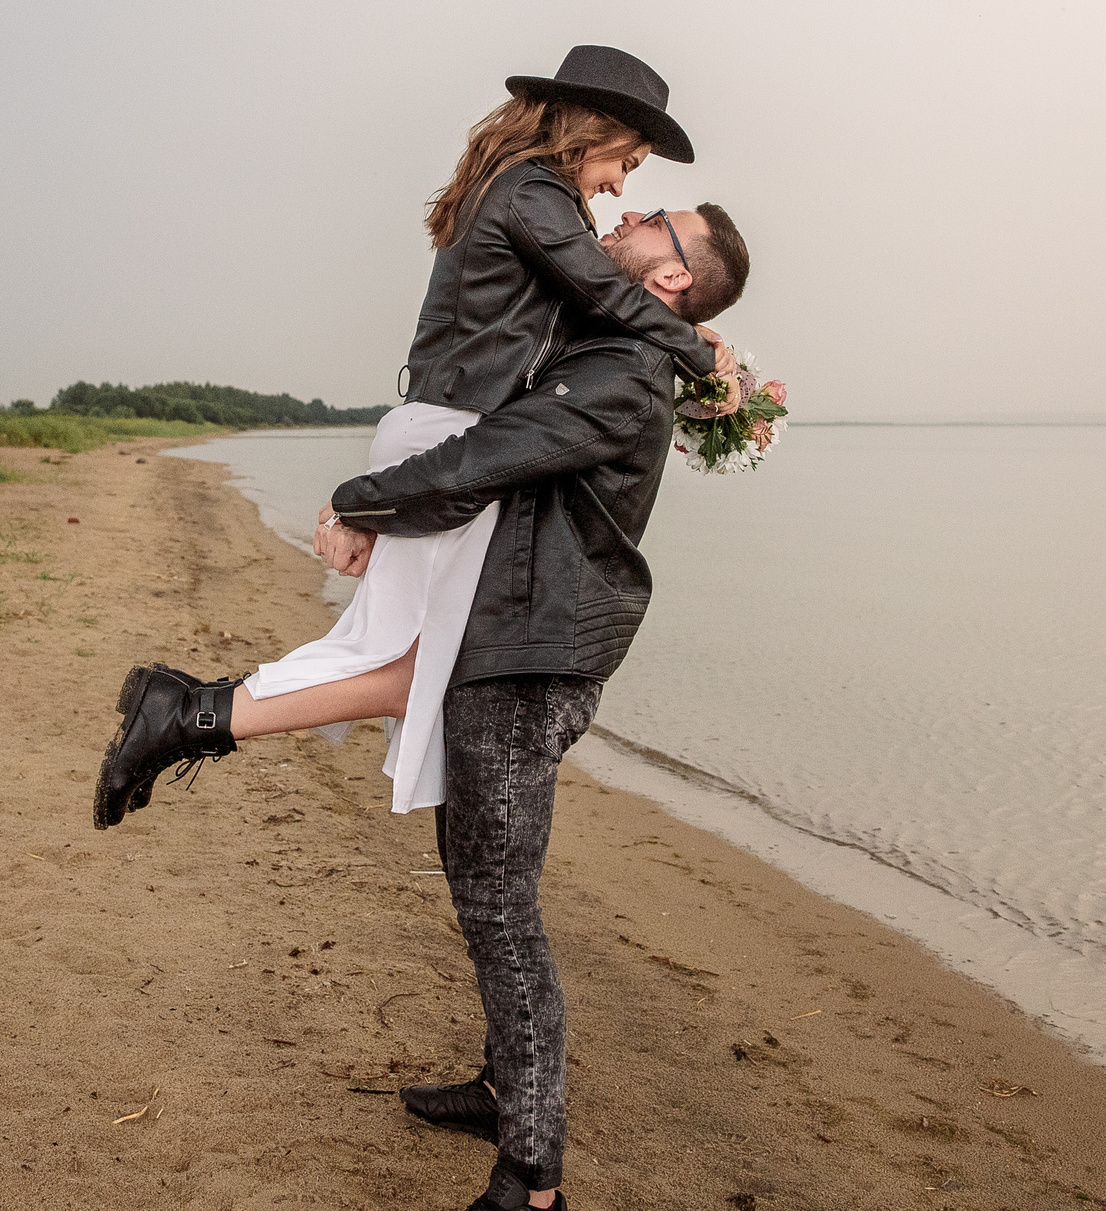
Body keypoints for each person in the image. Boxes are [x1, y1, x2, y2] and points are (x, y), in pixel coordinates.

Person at [122, 199, 754, 1211]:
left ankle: (533, 1178)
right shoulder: (616, 345)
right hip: (505, 636)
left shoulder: (622, 377)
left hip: (530, 657)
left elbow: (487, 456)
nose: (626, 210)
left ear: (672, 275)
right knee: (478, 889)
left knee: (503, 911)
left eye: (654, 218)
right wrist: (709, 354)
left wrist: (356, 499)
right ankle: (506, 1084)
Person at [93, 45, 736, 827]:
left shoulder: (529, 192)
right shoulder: (533, 191)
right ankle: (188, 713)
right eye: (626, 161)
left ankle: (188, 711)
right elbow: (609, 295)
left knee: (405, 660)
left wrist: (704, 385)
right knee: (401, 665)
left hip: (444, 426)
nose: (622, 185)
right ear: (592, 129)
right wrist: (699, 348)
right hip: (452, 434)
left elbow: (590, 330)